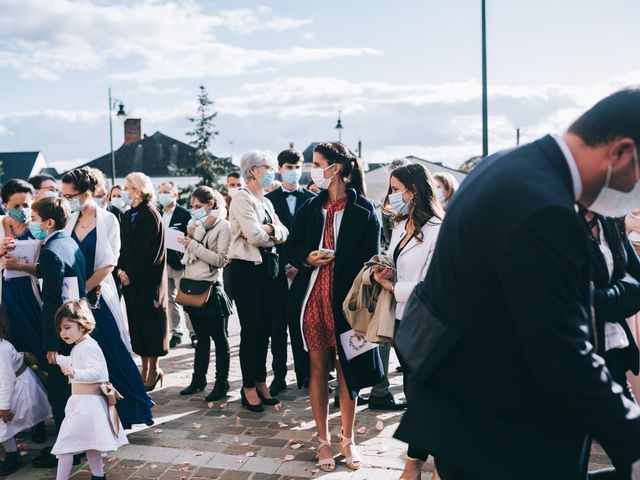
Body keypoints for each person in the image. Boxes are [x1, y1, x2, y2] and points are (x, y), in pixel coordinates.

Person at [394, 88, 640, 480]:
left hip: (465, 413)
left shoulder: (505, 165)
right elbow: (564, 355)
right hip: (501, 433)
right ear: (622, 153)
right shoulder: (544, 208)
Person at [285, 142, 383, 472]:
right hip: (312, 299)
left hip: (346, 304)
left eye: (317, 164)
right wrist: (307, 257)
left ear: (336, 167)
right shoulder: (311, 208)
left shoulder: (365, 210)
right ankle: (323, 440)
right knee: (316, 368)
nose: (313, 170)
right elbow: (292, 246)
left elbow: (372, 258)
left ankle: (347, 439)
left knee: (347, 371)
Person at [61, 167, 154, 428]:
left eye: (70, 195)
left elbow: (108, 264)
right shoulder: (68, 219)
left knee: (111, 351)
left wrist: (82, 292)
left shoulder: (109, 220)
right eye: (64, 194)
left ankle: (126, 409)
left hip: (97, 295)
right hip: (71, 298)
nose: (66, 199)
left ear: (87, 194)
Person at [368, 163, 443, 479]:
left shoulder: (440, 228)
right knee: (415, 391)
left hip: (428, 322)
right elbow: (399, 261)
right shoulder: (400, 225)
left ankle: (426, 462)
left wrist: (393, 286)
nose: (392, 195)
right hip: (400, 319)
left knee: (428, 393)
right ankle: (421, 460)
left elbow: (436, 284)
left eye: (397, 189)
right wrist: (383, 268)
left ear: (415, 191)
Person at [580, 210, 640, 479]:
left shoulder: (611, 220)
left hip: (614, 362)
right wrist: (619, 292)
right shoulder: (558, 218)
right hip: (570, 361)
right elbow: (564, 297)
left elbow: (637, 282)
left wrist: (600, 299)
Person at [228, 150, 288, 412]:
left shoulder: (265, 201)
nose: (271, 171)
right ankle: (248, 386)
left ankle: (261, 381)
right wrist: (267, 232)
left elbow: (284, 231)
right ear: (252, 170)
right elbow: (253, 236)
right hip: (245, 271)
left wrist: (271, 229)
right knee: (251, 330)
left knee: (265, 329)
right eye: (267, 167)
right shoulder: (242, 198)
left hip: (266, 271)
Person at [30, 196, 87, 469]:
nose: (32, 224)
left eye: (34, 219)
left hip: (62, 333)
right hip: (77, 327)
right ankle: (77, 445)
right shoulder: (69, 242)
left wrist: (52, 343)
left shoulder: (51, 251)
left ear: (48, 222)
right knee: (71, 391)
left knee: (60, 393)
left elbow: (51, 301)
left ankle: (67, 450)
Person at [51, 300, 127, 480]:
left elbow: (97, 371)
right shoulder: (81, 346)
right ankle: (98, 476)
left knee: (65, 446)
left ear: (82, 324)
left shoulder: (88, 346)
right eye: (61, 329)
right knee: (91, 444)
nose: (63, 333)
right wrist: (60, 359)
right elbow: (77, 361)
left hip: (86, 404)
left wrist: (75, 372)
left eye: (67, 327)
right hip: (83, 403)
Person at [265, 148, 316, 396]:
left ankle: (304, 373)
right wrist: (285, 264)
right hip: (277, 271)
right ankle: (279, 376)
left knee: (302, 324)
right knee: (277, 327)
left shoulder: (311, 198)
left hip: (304, 271)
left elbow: (312, 236)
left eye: (297, 167)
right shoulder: (270, 200)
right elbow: (271, 236)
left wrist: (300, 263)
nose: (293, 172)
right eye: (288, 167)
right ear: (280, 168)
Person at [178, 187, 232, 401]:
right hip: (192, 284)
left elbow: (221, 260)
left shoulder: (223, 226)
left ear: (210, 205)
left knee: (219, 338)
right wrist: (185, 245)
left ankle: (222, 383)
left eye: (198, 206)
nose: (195, 211)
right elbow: (191, 254)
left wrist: (193, 245)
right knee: (200, 338)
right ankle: (198, 379)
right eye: (192, 207)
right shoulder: (195, 226)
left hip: (210, 287)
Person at [117, 172, 169, 392]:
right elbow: (123, 246)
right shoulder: (128, 215)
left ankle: (154, 369)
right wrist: (121, 269)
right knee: (137, 325)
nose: (125, 192)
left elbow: (151, 252)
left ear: (138, 190)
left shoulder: (151, 215)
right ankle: (144, 366)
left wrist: (131, 272)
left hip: (148, 281)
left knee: (151, 325)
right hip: (131, 281)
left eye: (128, 188)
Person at [0, 180, 45, 364]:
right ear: (5, 205)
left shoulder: (38, 228)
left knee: (36, 340)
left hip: (32, 291)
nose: (22, 209)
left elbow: (47, 267)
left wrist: (20, 265)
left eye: (26, 205)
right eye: (16, 206)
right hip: (6, 293)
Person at [0, 314, 51, 475]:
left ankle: (12, 456)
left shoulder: (0, 349)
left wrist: (3, 407)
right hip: (12, 386)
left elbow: (6, 380)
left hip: (17, 388)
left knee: (2, 421)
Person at [158, 180, 193, 349]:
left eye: (167, 191)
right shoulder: (157, 213)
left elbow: (191, 237)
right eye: (161, 191)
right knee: (170, 301)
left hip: (179, 263)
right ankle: (176, 333)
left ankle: (193, 333)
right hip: (162, 263)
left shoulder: (184, 214)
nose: (163, 194)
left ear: (175, 194)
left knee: (185, 299)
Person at [223, 172, 243, 306]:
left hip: (243, 257)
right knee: (226, 298)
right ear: (227, 185)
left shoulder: (247, 202)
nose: (235, 187)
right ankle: (223, 328)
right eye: (232, 185)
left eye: (239, 185)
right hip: (227, 259)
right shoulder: (220, 204)